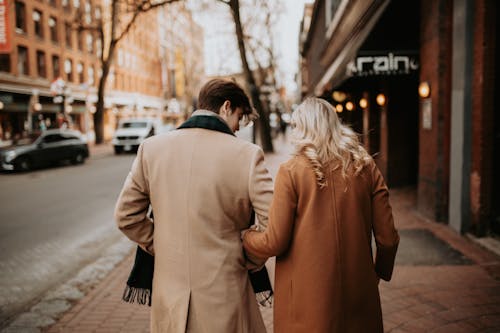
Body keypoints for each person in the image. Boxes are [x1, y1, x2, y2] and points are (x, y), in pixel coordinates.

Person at [115, 78, 273, 333]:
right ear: (226, 107)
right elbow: (272, 224)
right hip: (226, 291)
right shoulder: (248, 155)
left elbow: (126, 216)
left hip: (170, 296)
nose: (237, 129)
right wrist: (249, 257)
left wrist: (161, 244)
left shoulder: (151, 149)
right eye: (239, 118)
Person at [243, 97, 400, 332]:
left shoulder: (291, 171)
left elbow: (274, 241)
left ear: (304, 128)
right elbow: (388, 238)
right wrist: (377, 273)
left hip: (307, 302)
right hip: (359, 291)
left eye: (296, 126)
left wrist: (246, 237)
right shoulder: (366, 167)